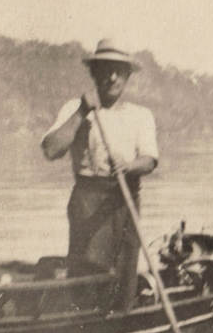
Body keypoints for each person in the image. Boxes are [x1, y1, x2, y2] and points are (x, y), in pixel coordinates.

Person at [40, 39, 159, 310]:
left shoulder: (141, 115)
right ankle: (86, 325)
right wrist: (83, 112)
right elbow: (51, 149)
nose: (112, 77)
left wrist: (129, 166)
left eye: (119, 70)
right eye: (105, 69)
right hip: (88, 201)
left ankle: (122, 323)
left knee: (123, 277)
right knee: (88, 277)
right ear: (94, 73)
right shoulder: (75, 108)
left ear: (128, 75)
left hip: (125, 200)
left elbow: (150, 160)